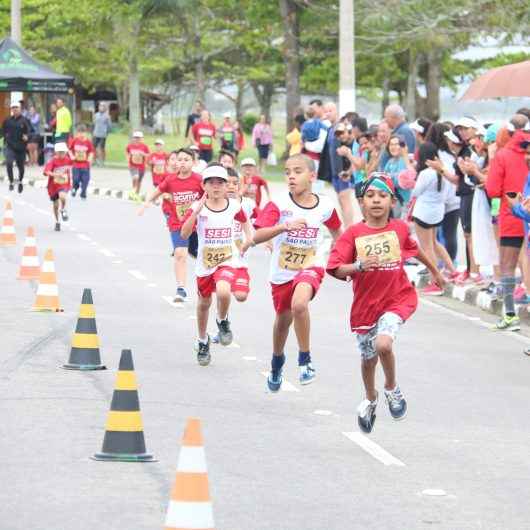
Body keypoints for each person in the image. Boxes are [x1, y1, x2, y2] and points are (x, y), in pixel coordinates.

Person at [326, 173, 445, 433]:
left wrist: (435, 271)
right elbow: (334, 268)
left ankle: (392, 387)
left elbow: (415, 249)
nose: (376, 201)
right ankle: (370, 397)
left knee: (383, 343)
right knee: (368, 359)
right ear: (361, 202)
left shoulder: (400, 229)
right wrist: (357, 266)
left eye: (382, 196)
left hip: (396, 298)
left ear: (392, 202)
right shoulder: (353, 235)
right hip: (366, 307)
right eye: (370, 196)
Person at [252, 154, 342, 391]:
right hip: (281, 273)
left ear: (312, 176)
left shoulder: (325, 205)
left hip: (310, 265)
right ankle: (277, 362)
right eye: (287, 171)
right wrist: (283, 226)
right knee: (282, 322)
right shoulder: (279, 204)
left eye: (297, 171)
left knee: (299, 305)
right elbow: (257, 235)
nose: (291, 176)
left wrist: (344, 258)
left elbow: (337, 231)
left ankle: (305, 360)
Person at [180, 164, 251, 365]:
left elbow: (245, 223)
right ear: (204, 186)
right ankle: (203, 340)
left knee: (223, 291)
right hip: (205, 265)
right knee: (203, 304)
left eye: (220, 182)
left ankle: (222, 320)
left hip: (227, 260)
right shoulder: (197, 208)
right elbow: (184, 234)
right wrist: (196, 213)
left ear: (226, 184)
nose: (217, 186)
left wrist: (248, 240)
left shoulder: (234, 206)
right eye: (211, 182)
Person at [139, 148, 203, 302]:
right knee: (180, 253)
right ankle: (181, 289)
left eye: (186, 160)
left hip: (197, 225)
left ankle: (208, 282)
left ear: (193, 162)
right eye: (179, 159)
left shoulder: (199, 180)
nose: (182, 162)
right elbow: (157, 191)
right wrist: (146, 203)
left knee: (201, 256)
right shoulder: (170, 180)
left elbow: (211, 195)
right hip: (177, 223)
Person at [486, 114, 530, 331]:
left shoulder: (503, 155)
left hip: (512, 215)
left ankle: (511, 315)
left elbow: (493, 190)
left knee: (508, 266)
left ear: (508, 132)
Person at [411, 142, 458, 294]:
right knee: (434, 243)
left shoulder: (425, 173)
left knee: (427, 248)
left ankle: (435, 281)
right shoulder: (443, 171)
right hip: (437, 212)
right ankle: (453, 270)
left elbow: (416, 192)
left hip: (423, 213)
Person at [424, 122, 460, 263]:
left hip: (439, 200)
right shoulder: (452, 155)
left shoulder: (433, 155)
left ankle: (441, 263)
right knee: (451, 234)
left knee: (436, 236)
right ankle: (452, 263)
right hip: (455, 200)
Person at [319, 102, 355, 227]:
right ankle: (347, 228)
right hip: (334, 171)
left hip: (342, 171)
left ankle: (349, 228)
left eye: (331, 110)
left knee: (345, 200)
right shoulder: (331, 128)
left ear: (337, 111)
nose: (328, 113)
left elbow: (349, 145)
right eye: (326, 111)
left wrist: (344, 170)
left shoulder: (342, 127)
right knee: (340, 200)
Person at [383, 134, 415, 218]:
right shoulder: (390, 161)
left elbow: (401, 182)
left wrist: (389, 177)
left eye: (396, 144)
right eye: (391, 144)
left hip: (403, 201)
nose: (393, 147)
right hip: (392, 200)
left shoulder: (405, 160)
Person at [2, 100, 30, 193]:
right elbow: (2, 131)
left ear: (20, 109)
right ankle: (11, 182)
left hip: (21, 148)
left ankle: (20, 181)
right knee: (9, 162)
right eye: (13, 108)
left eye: (16, 108)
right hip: (10, 146)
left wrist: (27, 136)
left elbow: (32, 132)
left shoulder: (25, 120)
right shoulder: (7, 120)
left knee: (20, 167)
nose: (14, 109)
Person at [44, 142, 72, 231]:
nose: (62, 154)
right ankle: (57, 222)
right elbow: (46, 172)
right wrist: (55, 174)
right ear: (56, 152)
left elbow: (76, 161)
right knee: (55, 205)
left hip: (64, 183)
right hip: (53, 186)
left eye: (63, 152)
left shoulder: (68, 160)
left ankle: (63, 210)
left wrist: (70, 152)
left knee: (62, 197)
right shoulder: (53, 161)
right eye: (60, 152)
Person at [381, 104, 416, 169]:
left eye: (386, 117)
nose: (385, 120)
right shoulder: (398, 131)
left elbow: (407, 155)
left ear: (393, 117)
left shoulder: (405, 131)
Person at [68, 124, 95, 200]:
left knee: (85, 180)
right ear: (77, 133)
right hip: (76, 165)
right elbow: (69, 150)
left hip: (85, 165)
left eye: (83, 133)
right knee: (75, 179)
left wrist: (90, 159)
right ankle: (75, 188)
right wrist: (72, 156)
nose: (81, 135)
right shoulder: (75, 141)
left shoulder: (88, 142)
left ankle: (83, 192)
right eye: (79, 133)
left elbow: (91, 152)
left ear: (86, 133)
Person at [126, 131, 150, 201]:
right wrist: (128, 160)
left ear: (141, 138)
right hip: (132, 165)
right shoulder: (130, 146)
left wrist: (143, 154)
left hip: (141, 166)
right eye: (135, 137)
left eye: (139, 138)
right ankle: (133, 192)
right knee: (135, 177)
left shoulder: (144, 146)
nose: (137, 139)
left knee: (139, 181)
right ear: (133, 138)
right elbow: (127, 153)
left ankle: (136, 194)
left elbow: (148, 155)